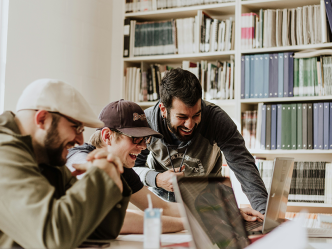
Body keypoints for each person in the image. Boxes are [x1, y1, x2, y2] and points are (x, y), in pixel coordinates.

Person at [0, 79, 129, 249]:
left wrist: (111, 173)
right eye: (76, 127)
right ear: (42, 119)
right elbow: (54, 237)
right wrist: (102, 176)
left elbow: (101, 230)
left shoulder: (48, 158)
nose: (81, 140)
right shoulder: (4, 154)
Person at [133, 68, 268, 214]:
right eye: (182, 117)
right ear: (163, 109)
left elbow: (244, 167)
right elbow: (132, 168)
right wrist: (157, 179)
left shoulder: (216, 119)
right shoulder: (146, 123)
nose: (190, 125)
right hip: (163, 208)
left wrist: (264, 214)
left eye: (196, 115)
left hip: (209, 207)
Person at [66, 99, 184, 234]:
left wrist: (204, 213)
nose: (143, 147)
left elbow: (161, 207)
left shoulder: (122, 168)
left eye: (145, 139)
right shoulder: (79, 158)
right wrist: (187, 224)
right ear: (107, 136)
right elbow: (110, 218)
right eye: (136, 138)